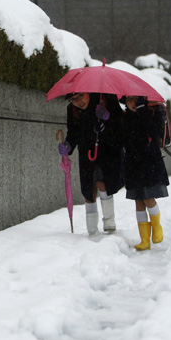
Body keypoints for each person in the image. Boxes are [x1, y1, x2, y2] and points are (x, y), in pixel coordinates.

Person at [58, 92, 124, 235]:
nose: (78, 102)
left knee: (103, 183)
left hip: (107, 151)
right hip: (86, 152)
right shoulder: (73, 110)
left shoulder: (105, 99)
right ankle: (92, 229)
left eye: (80, 96)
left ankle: (109, 222)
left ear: (87, 91)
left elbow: (121, 125)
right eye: (73, 100)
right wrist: (68, 146)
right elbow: (73, 132)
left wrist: (107, 118)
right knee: (88, 189)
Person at [121, 96, 169, 250]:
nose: (132, 103)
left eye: (135, 100)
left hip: (149, 163)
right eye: (128, 100)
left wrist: (143, 112)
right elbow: (123, 139)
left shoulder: (152, 113)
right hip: (133, 164)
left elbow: (154, 132)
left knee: (149, 197)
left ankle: (157, 228)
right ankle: (144, 240)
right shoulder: (125, 117)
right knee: (138, 201)